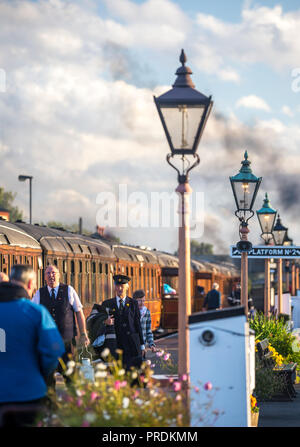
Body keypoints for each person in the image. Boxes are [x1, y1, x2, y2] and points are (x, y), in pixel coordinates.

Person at [0, 265, 65, 427]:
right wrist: (39, 372)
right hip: (29, 394)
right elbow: (54, 350)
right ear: (30, 284)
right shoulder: (36, 312)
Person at [32, 264, 89, 389]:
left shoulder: (69, 290)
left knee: (69, 374)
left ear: (59, 275)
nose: (51, 276)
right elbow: (33, 315)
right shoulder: (39, 293)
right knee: (48, 375)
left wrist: (83, 333)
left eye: (54, 273)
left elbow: (79, 312)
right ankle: (50, 404)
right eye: (48, 273)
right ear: (44, 277)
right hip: (47, 342)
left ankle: (72, 402)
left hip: (67, 341)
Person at [87, 274, 145, 369]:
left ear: (127, 287)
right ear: (115, 287)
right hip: (114, 344)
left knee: (131, 372)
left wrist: (142, 345)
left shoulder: (133, 303)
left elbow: (137, 324)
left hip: (131, 344)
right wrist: (105, 321)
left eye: (122, 286)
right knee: (116, 372)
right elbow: (97, 319)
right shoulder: (107, 303)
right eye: (118, 286)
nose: (120, 288)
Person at [132, 289, 156, 358]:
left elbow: (148, 331)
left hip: (142, 346)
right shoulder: (130, 312)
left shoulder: (147, 312)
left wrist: (151, 344)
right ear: (134, 301)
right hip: (132, 345)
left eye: (143, 301)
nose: (142, 303)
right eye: (139, 301)